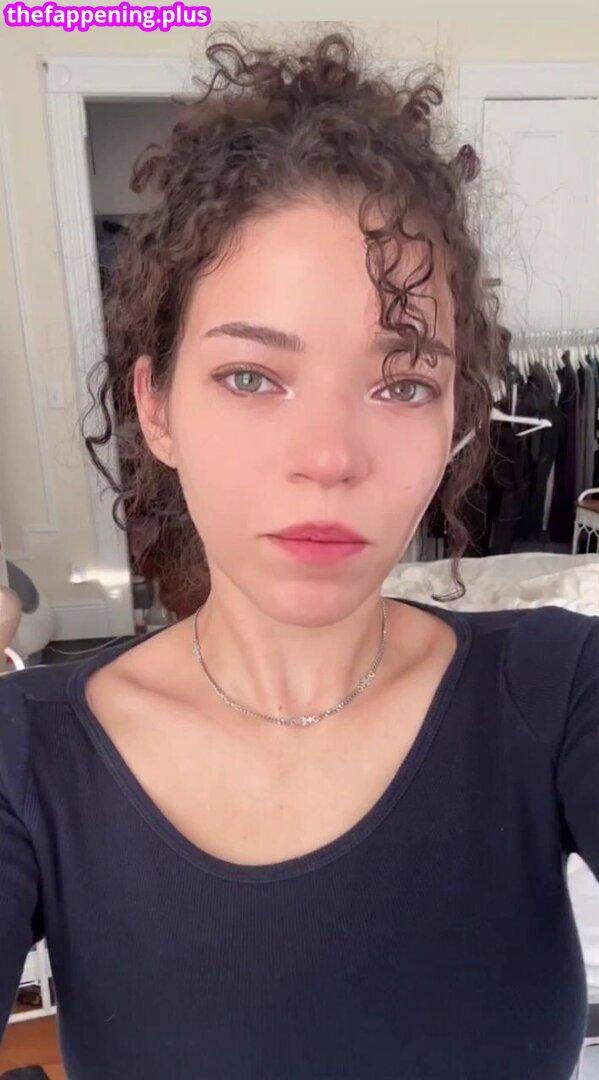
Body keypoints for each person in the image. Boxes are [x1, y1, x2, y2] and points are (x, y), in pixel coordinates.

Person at [0, 26, 598, 1080]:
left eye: (401, 383)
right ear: (157, 408)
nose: (328, 457)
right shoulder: (27, 756)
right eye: (251, 378)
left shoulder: (558, 689)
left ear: (455, 418)